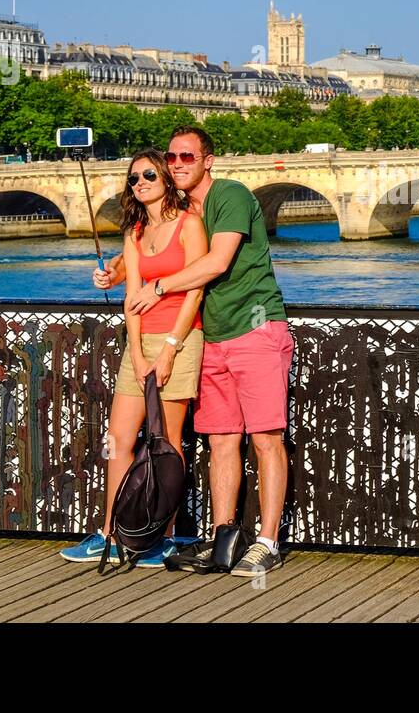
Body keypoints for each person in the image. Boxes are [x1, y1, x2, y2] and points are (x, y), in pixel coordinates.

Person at [94, 126, 293, 578]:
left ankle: (267, 541)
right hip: (211, 338)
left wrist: (156, 288)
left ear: (208, 160)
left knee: (265, 439)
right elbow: (156, 248)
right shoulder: (184, 209)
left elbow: (216, 263)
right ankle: (223, 538)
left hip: (255, 329)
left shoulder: (231, 196)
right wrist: (119, 273)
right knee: (221, 441)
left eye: (188, 156)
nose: (179, 163)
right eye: (173, 156)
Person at [62, 149, 206, 567]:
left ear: (164, 178)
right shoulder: (136, 231)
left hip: (180, 338)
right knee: (119, 440)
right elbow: (130, 296)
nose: (139, 182)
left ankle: (159, 538)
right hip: (140, 343)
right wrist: (139, 353)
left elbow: (194, 290)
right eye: (132, 179)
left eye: (147, 175)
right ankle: (109, 533)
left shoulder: (189, 224)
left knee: (167, 444)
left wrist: (169, 348)